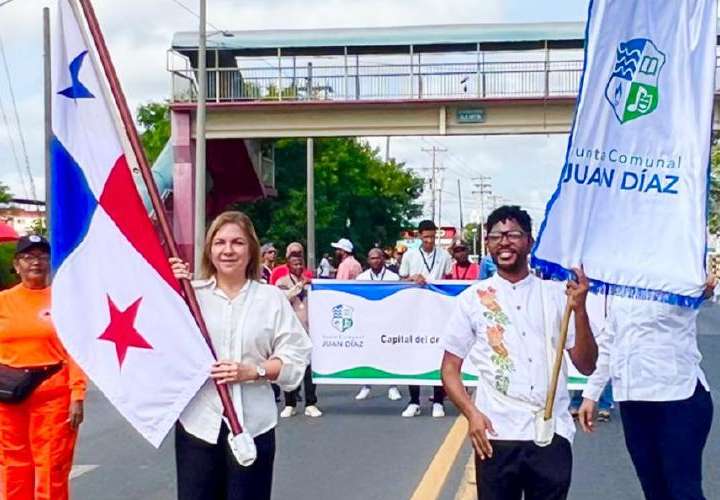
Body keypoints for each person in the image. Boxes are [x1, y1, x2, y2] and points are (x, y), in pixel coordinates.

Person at [440, 205, 597, 500]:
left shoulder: (558, 295)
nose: (504, 242)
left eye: (513, 234)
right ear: (487, 244)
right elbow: (449, 369)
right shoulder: (472, 300)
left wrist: (580, 310)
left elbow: (587, 365)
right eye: (496, 236)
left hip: (550, 432)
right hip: (496, 433)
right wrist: (472, 414)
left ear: (529, 242)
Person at [170, 211, 312, 500]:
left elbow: (296, 355)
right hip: (199, 423)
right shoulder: (191, 296)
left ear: (251, 250)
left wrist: (254, 371)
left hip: (253, 426)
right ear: (210, 250)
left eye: (237, 242)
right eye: (220, 242)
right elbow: (163, 344)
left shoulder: (270, 299)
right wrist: (170, 290)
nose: (228, 250)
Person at [578, 276, 716, 500]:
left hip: (679, 398)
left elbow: (704, 289)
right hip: (633, 401)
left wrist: (707, 288)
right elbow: (610, 340)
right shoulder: (622, 282)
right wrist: (591, 394)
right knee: (654, 491)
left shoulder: (678, 271)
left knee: (683, 491)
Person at [0, 235, 87, 500]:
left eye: (41, 257)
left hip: (53, 396)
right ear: (16, 265)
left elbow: (77, 350)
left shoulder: (63, 300)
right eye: (28, 257)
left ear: (49, 263)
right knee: (14, 468)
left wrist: (78, 394)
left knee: (52, 467)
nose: (35, 263)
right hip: (8, 398)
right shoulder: (3, 301)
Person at [399, 220, 453, 418]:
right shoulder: (410, 255)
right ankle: (414, 401)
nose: (429, 240)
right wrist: (412, 279)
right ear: (419, 236)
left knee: (438, 354)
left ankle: (438, 400)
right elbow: (400, 280)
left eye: (432, 237)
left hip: (438, 311)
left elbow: (449, 281)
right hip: (415, 312)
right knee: (414, 354)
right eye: (426, 237)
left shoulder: (444, 255)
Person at [276, 253, 322, 418]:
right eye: (294, 264)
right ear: (288, 266)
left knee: (310, 369)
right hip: (290, 331)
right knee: (290, 366)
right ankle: (290, 403)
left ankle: (311, 403)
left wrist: (311, 285)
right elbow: (283, 298)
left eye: (300, 264)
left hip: (309, 330)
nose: (298, 267)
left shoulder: (311, 283)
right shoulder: (282, 282)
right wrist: (299, 287)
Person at [354, 248, 402, 402]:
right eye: (372, 258)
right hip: (368, 322)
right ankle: (366, 385)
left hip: (388, 321)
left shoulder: (393, 277)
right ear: (368, 261)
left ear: (383, 259)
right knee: (367, 354)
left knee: (390, 354)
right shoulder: (361, 278)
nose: (375, 261)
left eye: (378, 258)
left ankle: (392, 386)